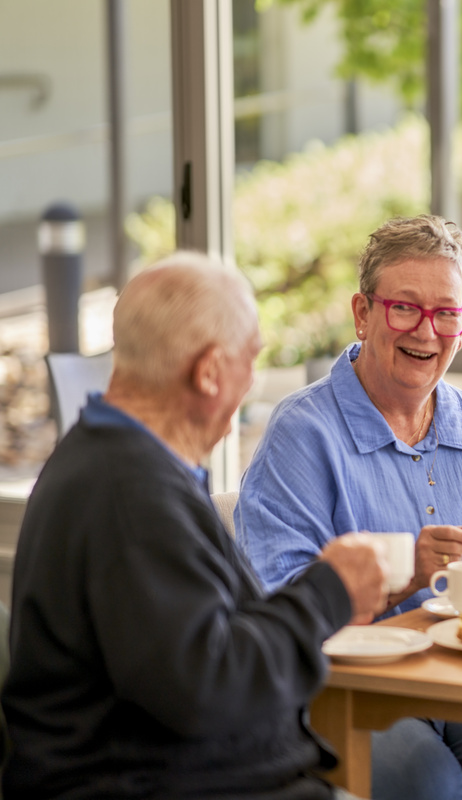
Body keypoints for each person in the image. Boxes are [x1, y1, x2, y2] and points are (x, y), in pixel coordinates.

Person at [1, 253, 391, 799]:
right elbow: (207, 687)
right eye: (250, 360)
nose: (252, 383)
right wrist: (331, 590)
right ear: (209, 372)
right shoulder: (128, 492)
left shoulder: (119, 460)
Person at [236, 214, 462, 800]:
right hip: (351, 686)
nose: (427, 332)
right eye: (404, 307)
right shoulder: (302, 433)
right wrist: (402, 576)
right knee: (429, 783)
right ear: (363, 313)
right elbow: (278, 602)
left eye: (446, 312)